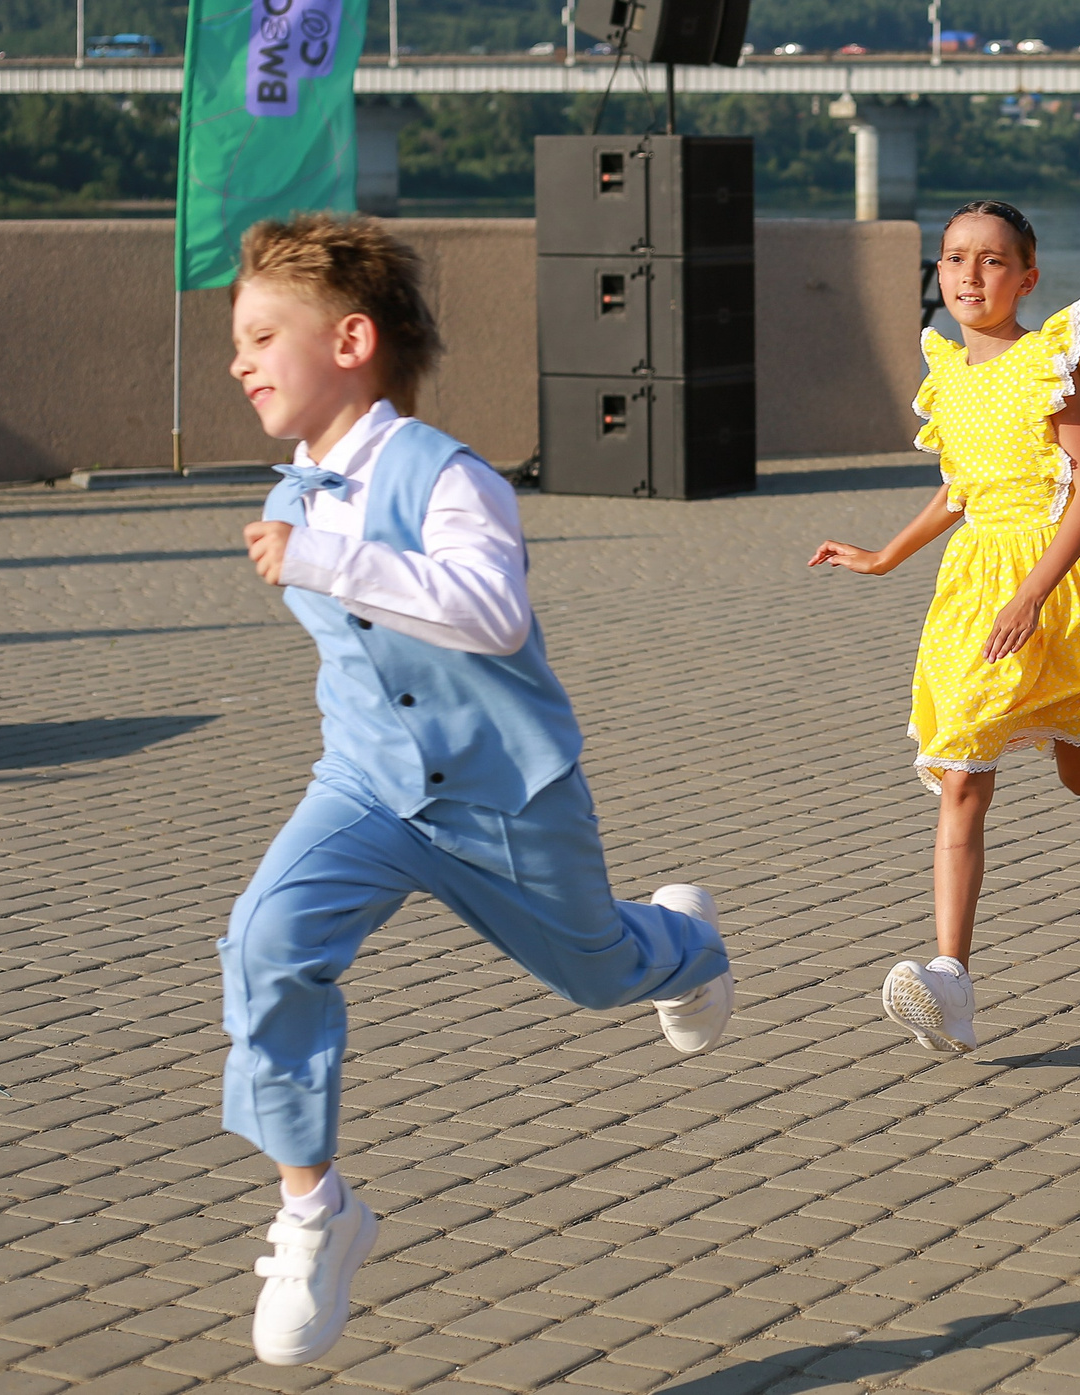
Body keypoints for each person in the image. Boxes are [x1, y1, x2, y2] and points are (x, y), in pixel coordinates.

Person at [221, 215, 736, 1367]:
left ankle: (687, 947)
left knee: (599, 971)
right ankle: (317, 1213)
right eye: (238, 342)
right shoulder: (296, 494)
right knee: (263, 944)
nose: (241, 361)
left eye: (262, 336)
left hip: (506, 797)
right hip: (364, 789)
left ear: (350, 341)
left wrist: (320, 560)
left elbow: (491, 613)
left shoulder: (443, 475)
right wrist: (310, 548)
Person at [809, 201, 1080, 1052]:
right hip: (975, 587)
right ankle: (950, 978)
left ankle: (1078, 719)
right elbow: (960, 489)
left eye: (992, 262)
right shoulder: (947, 373)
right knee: (961, 764)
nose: (970, 276)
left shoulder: (1050, 365)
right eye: (955, 259)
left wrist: (1032, 594)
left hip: (1065, 576)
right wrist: (884, 557)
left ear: (1027, 277)